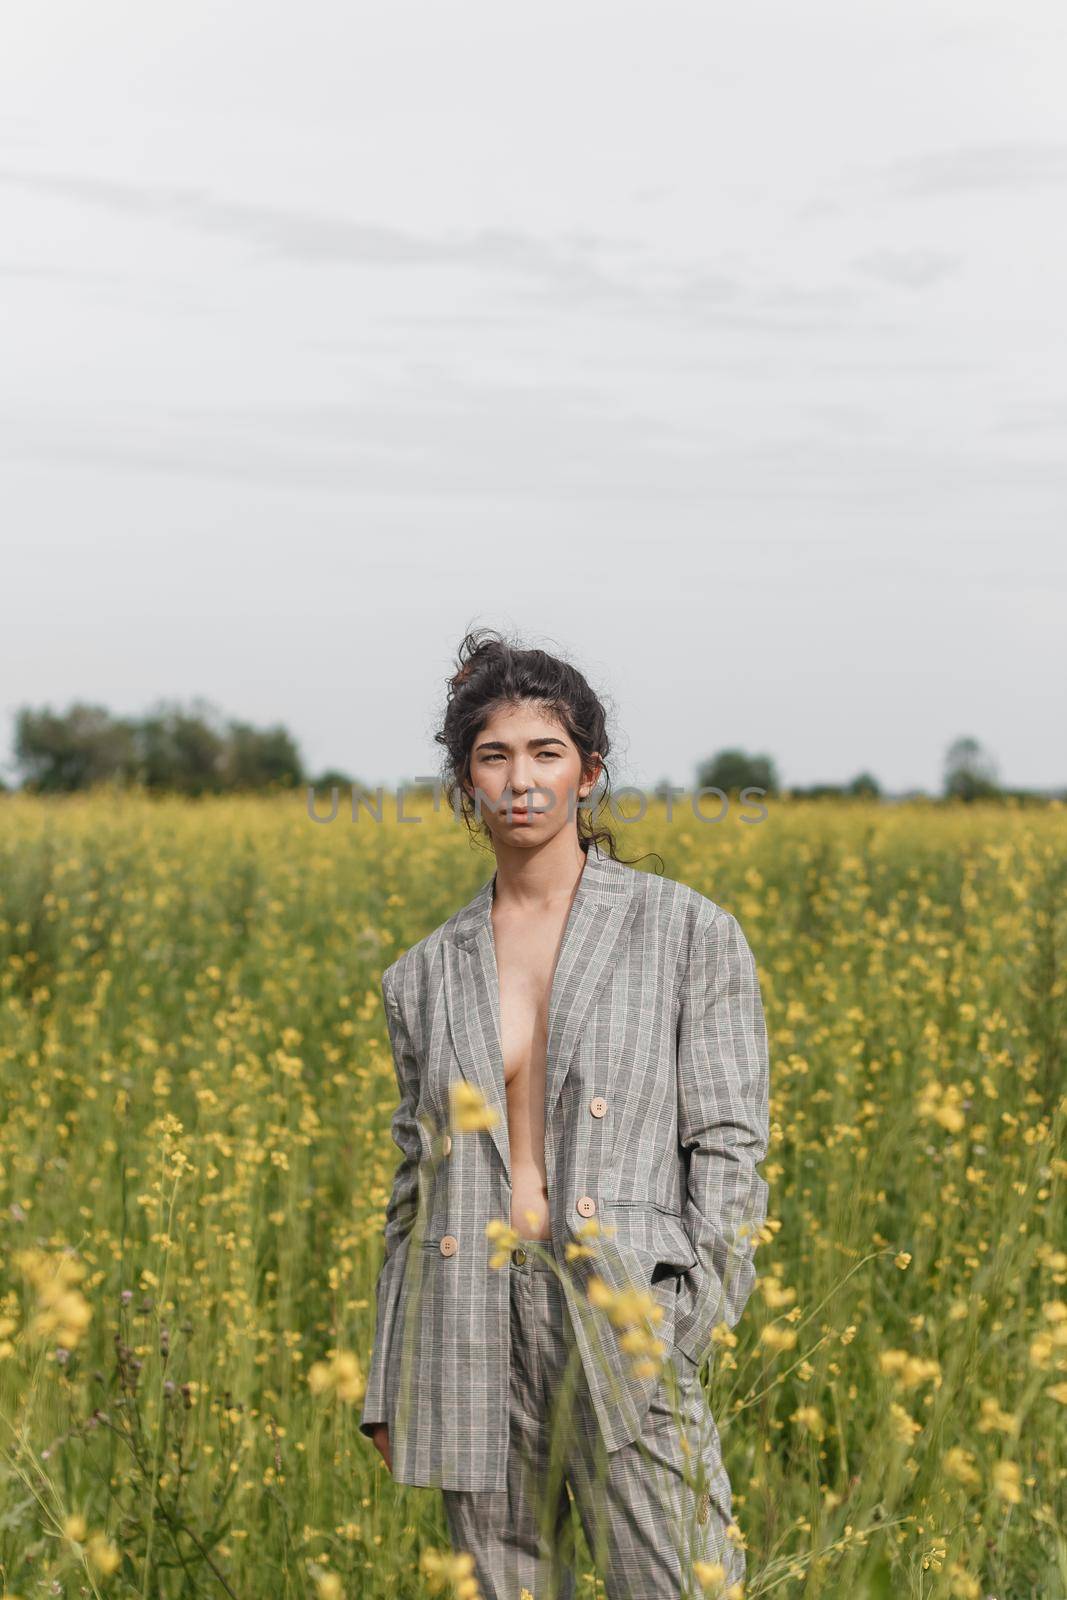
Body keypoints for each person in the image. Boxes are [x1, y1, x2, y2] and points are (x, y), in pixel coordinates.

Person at [359, 629, 770, 1600]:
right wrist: (388, 1378)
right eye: (492, 756)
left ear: (589, 773)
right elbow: (412, 1188)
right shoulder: (419, 975)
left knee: (683, 1584)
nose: (520, 780)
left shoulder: (685, 932)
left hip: (625, 1313)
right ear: (465, 785)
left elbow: (727, 1149)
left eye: (545, 753)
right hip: (467, 1327)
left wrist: (682, 1324)